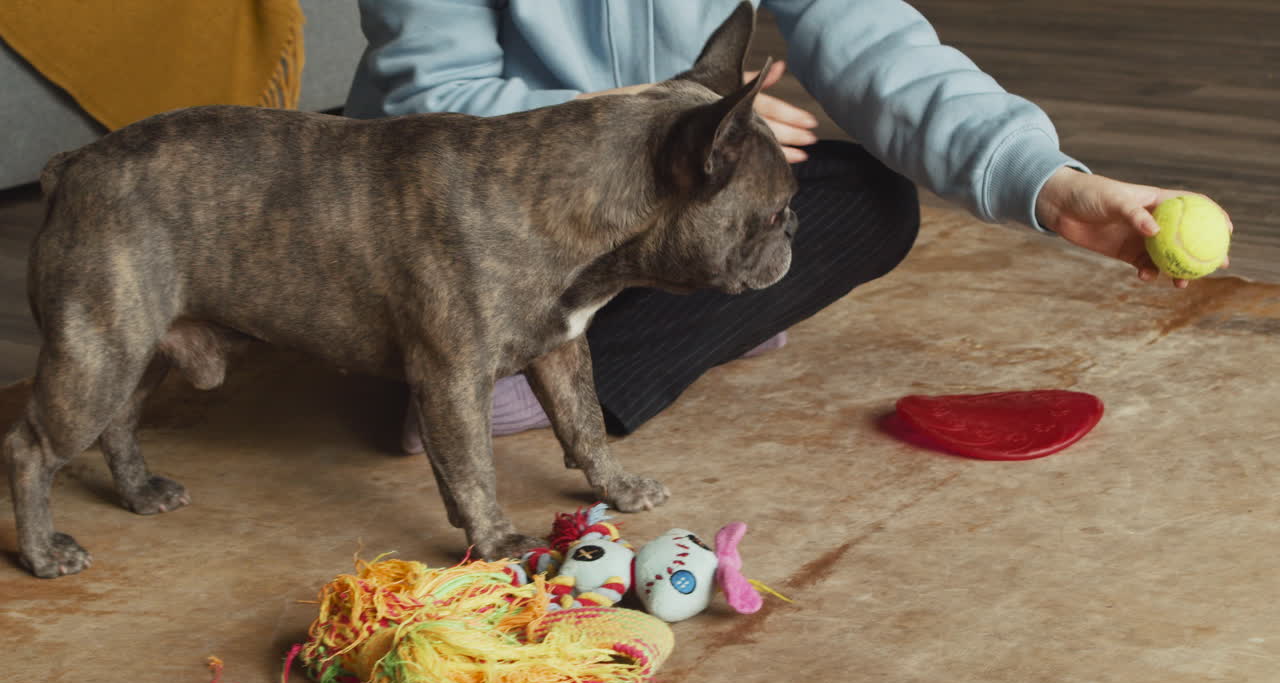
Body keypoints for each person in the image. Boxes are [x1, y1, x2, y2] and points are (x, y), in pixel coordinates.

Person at [343, 0, 1231, 452]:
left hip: (659, 185)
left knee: (868, 200)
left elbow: (884, 52)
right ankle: (477, 369)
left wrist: (1050, 183)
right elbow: (436, 103)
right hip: (467, 207)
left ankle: (524, 366)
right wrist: (663, 118)